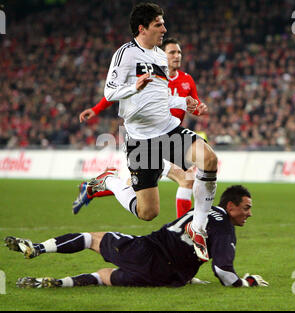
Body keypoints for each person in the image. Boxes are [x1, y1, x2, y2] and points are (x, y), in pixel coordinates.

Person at [76, 2, 218, 262]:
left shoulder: (159, 56)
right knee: (147, 212)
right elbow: (110, 91)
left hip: (167, 130)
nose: (164, 28)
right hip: (141, 142)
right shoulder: (126, 54)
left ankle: (197, 227)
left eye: (163, 23)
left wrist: (185, 103)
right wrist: (134, 87)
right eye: (158, 24)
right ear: (142, 28)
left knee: (209, 159)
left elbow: (161, 96)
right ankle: (109, 180)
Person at [5, 185, 269, 289]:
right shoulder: (224, 227)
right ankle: (54, 283)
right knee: (105, 276)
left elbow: (221, 271)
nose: (250, 214)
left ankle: (37, 248)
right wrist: (248, 283)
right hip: (168, 278)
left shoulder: (204, 210)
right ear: (231, 206)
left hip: (149, 251)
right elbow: (224, 272)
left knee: (92, 238)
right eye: (247, 208)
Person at [73, 37, 206, 220]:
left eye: (179, 52)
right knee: (186, 178)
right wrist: (96, 110)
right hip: (148, 138)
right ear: (161, 55)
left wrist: (199, 109)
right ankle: (182, 231)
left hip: (170, 136)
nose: (177, 56)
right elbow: (117, 93)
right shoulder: (152, 76)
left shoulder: (187, 80)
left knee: (138, 190)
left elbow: (194, 105)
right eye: (172, 52)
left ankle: (94, 187)